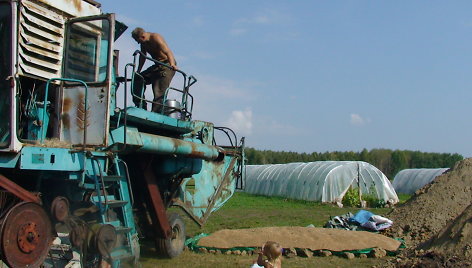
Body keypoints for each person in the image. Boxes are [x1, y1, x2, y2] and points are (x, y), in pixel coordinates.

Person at [131, 27, 177, 112]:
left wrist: (172, 64)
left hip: (167, 65)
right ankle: (141, 106)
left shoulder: (156, 38)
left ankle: (155, 113)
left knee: (158, 90)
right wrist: (138, 71)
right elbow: (143, 56)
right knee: (138, 78)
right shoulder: (143, 43)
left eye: (138, 41)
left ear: (142, 37)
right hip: (157, 66)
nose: (138, 43)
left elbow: (168, 51)